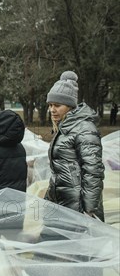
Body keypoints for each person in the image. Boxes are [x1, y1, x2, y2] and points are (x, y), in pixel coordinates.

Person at [45, 70, 105, 221]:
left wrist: (89, 210)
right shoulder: (64, 128)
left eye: (57, 105)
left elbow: (93, 172)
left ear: (70, 106)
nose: (52, 110)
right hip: (60, 203)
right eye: (50, 105)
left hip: (77, 208)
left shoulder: (84, 129)